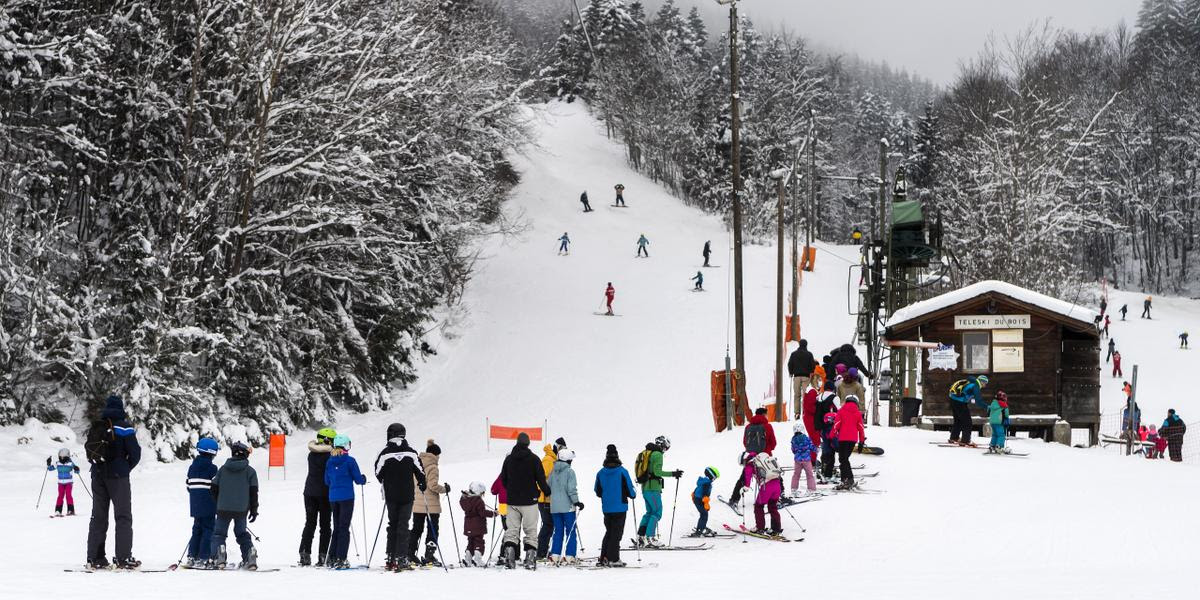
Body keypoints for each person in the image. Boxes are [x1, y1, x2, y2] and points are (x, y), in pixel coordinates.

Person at [84, 394, 142, 570]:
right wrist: (125, 467)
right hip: (118, 477)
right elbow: (135, 454)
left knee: (98, 517)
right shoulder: (124, 427)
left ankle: (95, 558)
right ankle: (123, 558)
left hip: (98, 474)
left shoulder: (97, 426)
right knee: (123, 516)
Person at [374, 423, 426, 572]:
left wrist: (390, 477)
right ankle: (401, 557)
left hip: (391, 495)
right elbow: (420, 471)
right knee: (403, 524)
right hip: (407, 495)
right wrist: (423, 483)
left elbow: (378, 473)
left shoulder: (384, 453)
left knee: (393, 524)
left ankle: (391, 557)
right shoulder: (411, 452)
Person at [499, 432, 551, 569]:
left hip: (512, 501)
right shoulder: (534, 459)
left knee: (512, 530)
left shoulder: (509, 459)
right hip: (530, 501)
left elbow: (503, 479)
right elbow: (541, 478)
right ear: (528, 444)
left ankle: (509, 557)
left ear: (517, 443)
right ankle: (530, 558)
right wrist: (546, 491)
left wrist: (511, 490)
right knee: (531, 530)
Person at [208, 441, 259, 570]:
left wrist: (218, 501)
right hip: (241, 509)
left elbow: (213, 488)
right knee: (241, 533)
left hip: (223, 508)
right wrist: (254, 510)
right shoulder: (250, 471)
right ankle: (250, 554)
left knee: (219, 534)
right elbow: (253, 493)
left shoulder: (223, 469)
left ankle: (218, 556)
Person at [324, 434, 366, 570]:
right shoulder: (350, 461)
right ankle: (341, 558)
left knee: (337, 527)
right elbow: (358, 479)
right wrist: (363, 479)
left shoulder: (329, 461)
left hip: (333, 498)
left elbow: (327, 481)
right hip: (347, 498)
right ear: (346, 445)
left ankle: (332, 557)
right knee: (344, 528)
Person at [634, 435, 682, 548]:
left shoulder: (646, 453)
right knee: (656, 512)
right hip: (653, 488)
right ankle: (650, 538)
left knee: (649, 512)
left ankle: (641, 537)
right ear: (663, 445)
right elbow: (657, 472)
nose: (666, 450)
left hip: (645, 488)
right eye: (666, 447)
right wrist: (673, 474)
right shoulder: (657, 454)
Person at [594, 444, 636, 567]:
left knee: (609, 532)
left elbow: (597, 491)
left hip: (607, 508)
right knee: (616, 534)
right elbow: (631, 491)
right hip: (620, 507)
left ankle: (604, 557)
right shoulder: (622, 471)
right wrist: (633, 494)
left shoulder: (601, 472)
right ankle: (613, 558)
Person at [300, 428, 336, 566]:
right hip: (325, 494)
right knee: (325, 525)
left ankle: (304, 552)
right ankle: (323, 555)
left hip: (309, 492)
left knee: (310, 523)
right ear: (328, 440)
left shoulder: (311, 454)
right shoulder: (331, 456)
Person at [409, 439, 448, 566]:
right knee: (432, 529)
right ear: (435, 455)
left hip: (417, 503)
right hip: (431, 505)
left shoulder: (417, 464)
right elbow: (432, 485)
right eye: (438, 455)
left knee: (416, 529)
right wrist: (445, 489)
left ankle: (410, 553)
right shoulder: (433, 467)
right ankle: (429, 555)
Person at [184, 438, 219, 568]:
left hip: (195, 505)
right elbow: (216, 487)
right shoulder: (213, 468)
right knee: (208, 530)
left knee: (197, 529)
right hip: (209, 504)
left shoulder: (192, 467)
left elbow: (188, 485)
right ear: (212, 453)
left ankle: (192, 555)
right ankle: (204, 557)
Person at [547, 448, 583, 565]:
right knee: (570, 531)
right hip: (567, 507)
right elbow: (571, 489)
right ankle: (569, 556)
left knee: (557, 531)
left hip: (555, 508)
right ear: (568, 460)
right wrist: (577, 502)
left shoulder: (553, 471)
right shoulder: (570, 472)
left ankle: (555, 555)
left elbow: (548, 486)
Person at [829, 396, 867, 490]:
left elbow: (836, 425)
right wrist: (861, 442)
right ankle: (847, 479)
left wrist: (831, 436)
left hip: (843, 439)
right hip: (853, 440)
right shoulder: (858, 413)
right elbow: (861, 428)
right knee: (844, 459)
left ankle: (848, 480)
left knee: (843, 459)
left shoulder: (841, 411)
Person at [537, 438, 566, 560]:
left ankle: (543, 550)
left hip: (552, 499)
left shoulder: (554, 459)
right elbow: (540, 478)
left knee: (550, 525)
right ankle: (540, 552)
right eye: (562, 449)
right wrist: (546, 491)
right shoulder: (548, 460)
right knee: (548, 525)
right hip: (545, 499)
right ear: (557, 447)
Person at [744, 452, 783, 535]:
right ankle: (776, 529)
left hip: (767, 487)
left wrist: (745, 487)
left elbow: (747, 476)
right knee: (772, 507)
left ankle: (759, 528)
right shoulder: (764, 460)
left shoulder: (750, 464)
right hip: (777, 484)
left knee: (758, 506)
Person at [460, 482, 496, 567]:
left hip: (468, 525)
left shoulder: (465, 499)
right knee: (479, 542)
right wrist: (493, 514)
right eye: (482, 493)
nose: (482, 495)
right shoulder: (478, 500)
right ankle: (478, 559)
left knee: (470, 542)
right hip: (478, 526)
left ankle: (468, 559)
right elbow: (482, 513)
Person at [948, 375, 988, 446]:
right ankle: (965, 440)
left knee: (958, 420)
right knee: (967, 422)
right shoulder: (976, 386)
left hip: (953, 399)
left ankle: (954, 437)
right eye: (985, 383)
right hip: (960, 402)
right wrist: (988, 407)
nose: (985, 385)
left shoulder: (971, 382)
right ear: (982, 382)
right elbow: (978, 401)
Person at [787, 339, 817, 418]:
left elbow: (790, 364)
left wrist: (791, 372)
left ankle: (797, 413)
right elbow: (812, 365)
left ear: (799, 344)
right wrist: (811, 371)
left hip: (796, 376)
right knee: (805, 395)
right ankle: (804, 411)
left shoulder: (794, 354)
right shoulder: (809, 354)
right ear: (806, 345)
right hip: (806, 376)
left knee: (797, 395)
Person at [48, 448, 80, 516]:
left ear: (67, 456)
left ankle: (71, 510)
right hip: (60, 483)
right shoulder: (57, 463)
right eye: (61, 456)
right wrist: (48, 464)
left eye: (64, 456)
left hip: (69, 483)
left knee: (68, 495)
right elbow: (50, 469)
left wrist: (77, 469)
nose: (62, 458)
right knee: (60, 496)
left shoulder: (70, 463)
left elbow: (77, 471)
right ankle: (58, 511)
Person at [789, 424, 817, 496]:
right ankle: (811, 489)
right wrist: (816, 449)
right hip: (806, 460)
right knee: (809, 475)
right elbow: (812, 447)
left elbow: (793, 450)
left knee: (796, 475)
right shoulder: (806, 438)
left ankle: (794, 489)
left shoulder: (793, 439)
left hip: (797, 460)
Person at [690, 467, 719, 537]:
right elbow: (705, 495)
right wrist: (706, 503)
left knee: (703, 514)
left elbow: (698, 488)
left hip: (697, 499)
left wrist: (693, 494)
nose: (714, 480)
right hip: (700, 500)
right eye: (714, 478)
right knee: (704, 515)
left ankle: (701, 527)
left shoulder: (703, 481)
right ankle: (699, 530)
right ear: (711, 475)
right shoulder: (707, 483)